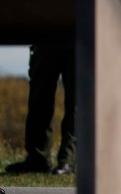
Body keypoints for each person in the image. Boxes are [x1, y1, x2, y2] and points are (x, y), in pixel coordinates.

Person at [5, 43, 76, 175]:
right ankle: (37, 158)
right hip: (45, 37)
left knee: (76, 102)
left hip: (79, 39)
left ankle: (69, 160)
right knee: (39, 98)